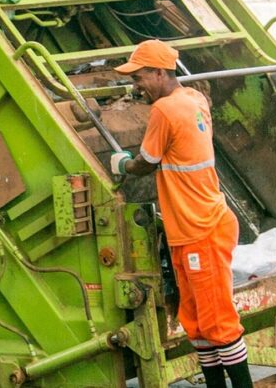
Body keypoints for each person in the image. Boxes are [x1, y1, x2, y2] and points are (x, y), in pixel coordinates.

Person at [109, 40, 250, 388]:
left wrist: (123, 164)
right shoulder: (195, 98)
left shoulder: (165, 110)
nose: (135, 86)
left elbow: (146, 163)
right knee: (196, 322)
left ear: (160, 73)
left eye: (139, 77)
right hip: (191, 229)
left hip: (201, 229)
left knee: (218, 322)